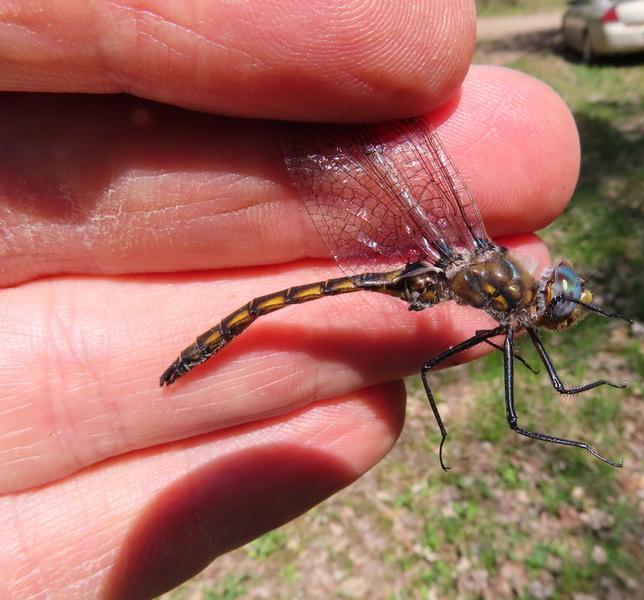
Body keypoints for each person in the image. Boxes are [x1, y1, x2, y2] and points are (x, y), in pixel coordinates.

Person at [0, 1, 581, 596]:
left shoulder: (505, 295)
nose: (556, 302)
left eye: (560, 298)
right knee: (276, 307)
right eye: (560, 298)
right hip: (424, 267)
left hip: (435, 266)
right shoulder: (502, 288)